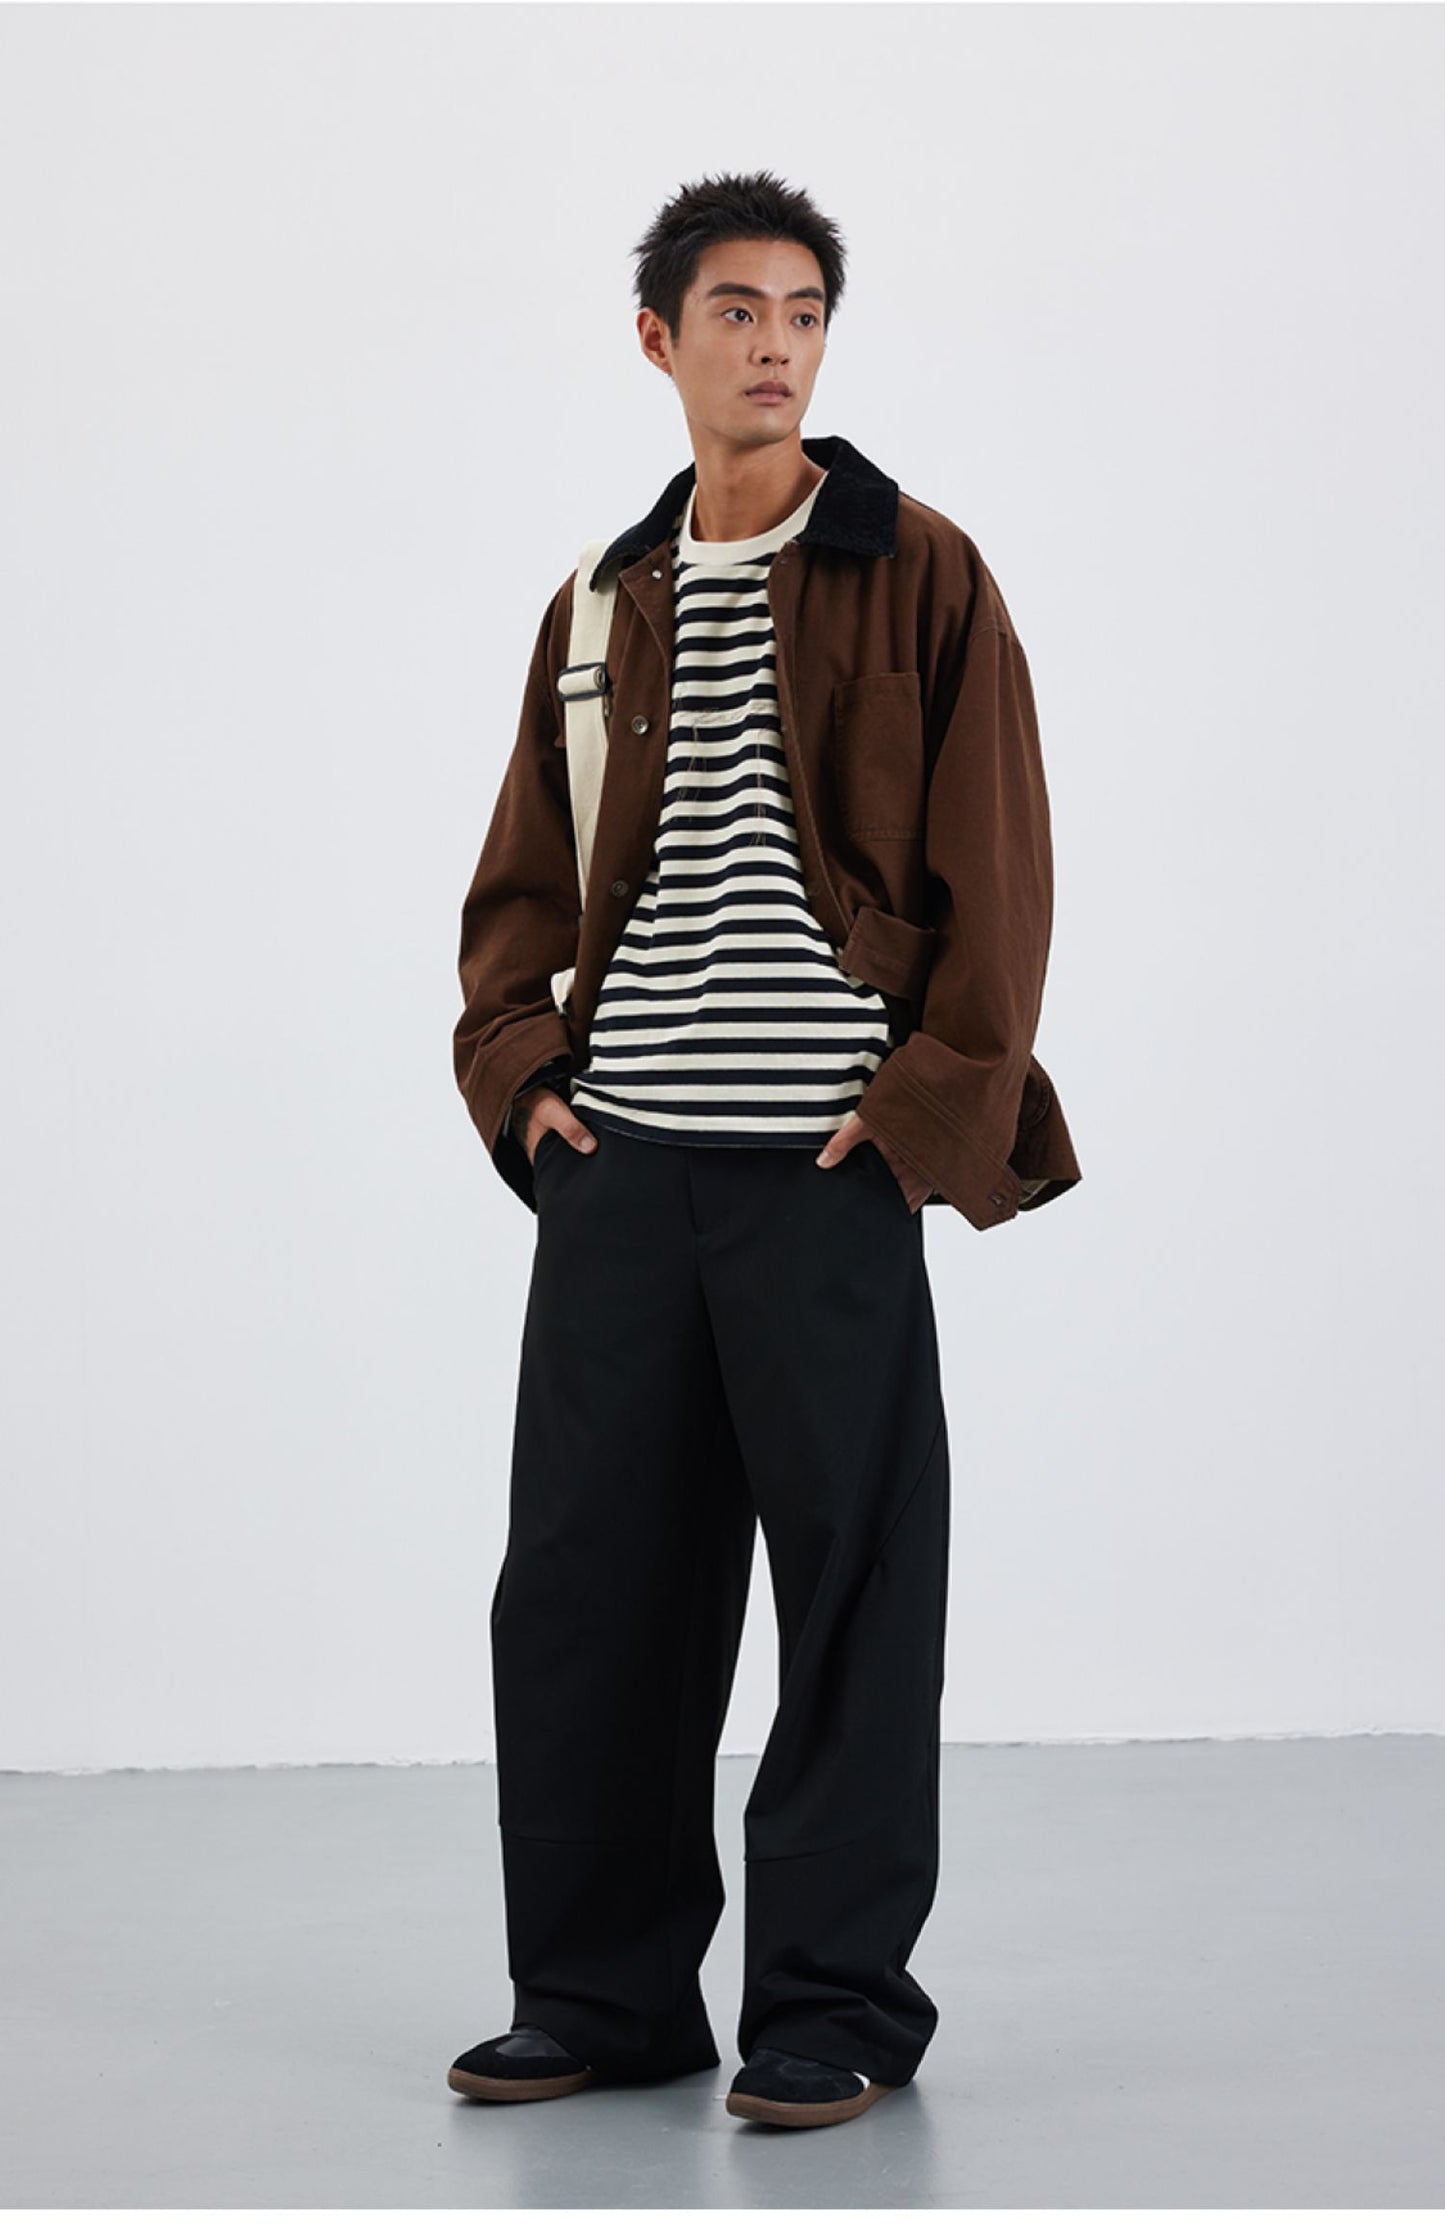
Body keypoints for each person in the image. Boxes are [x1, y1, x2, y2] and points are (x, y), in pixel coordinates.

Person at [447, 170, 1081, 2131]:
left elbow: (1002, 877)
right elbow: (519, 884)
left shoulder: (924, 571)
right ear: (660, 338)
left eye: (804, 312)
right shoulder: (599, 602)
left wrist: (917, 1119)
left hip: (827, 1174)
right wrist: (522, 1080)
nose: (775, 344)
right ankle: (600, 1996)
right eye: (735, 310)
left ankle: (831, 2008)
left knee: (854, 1600)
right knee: (586, 1595)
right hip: (623, 1174)